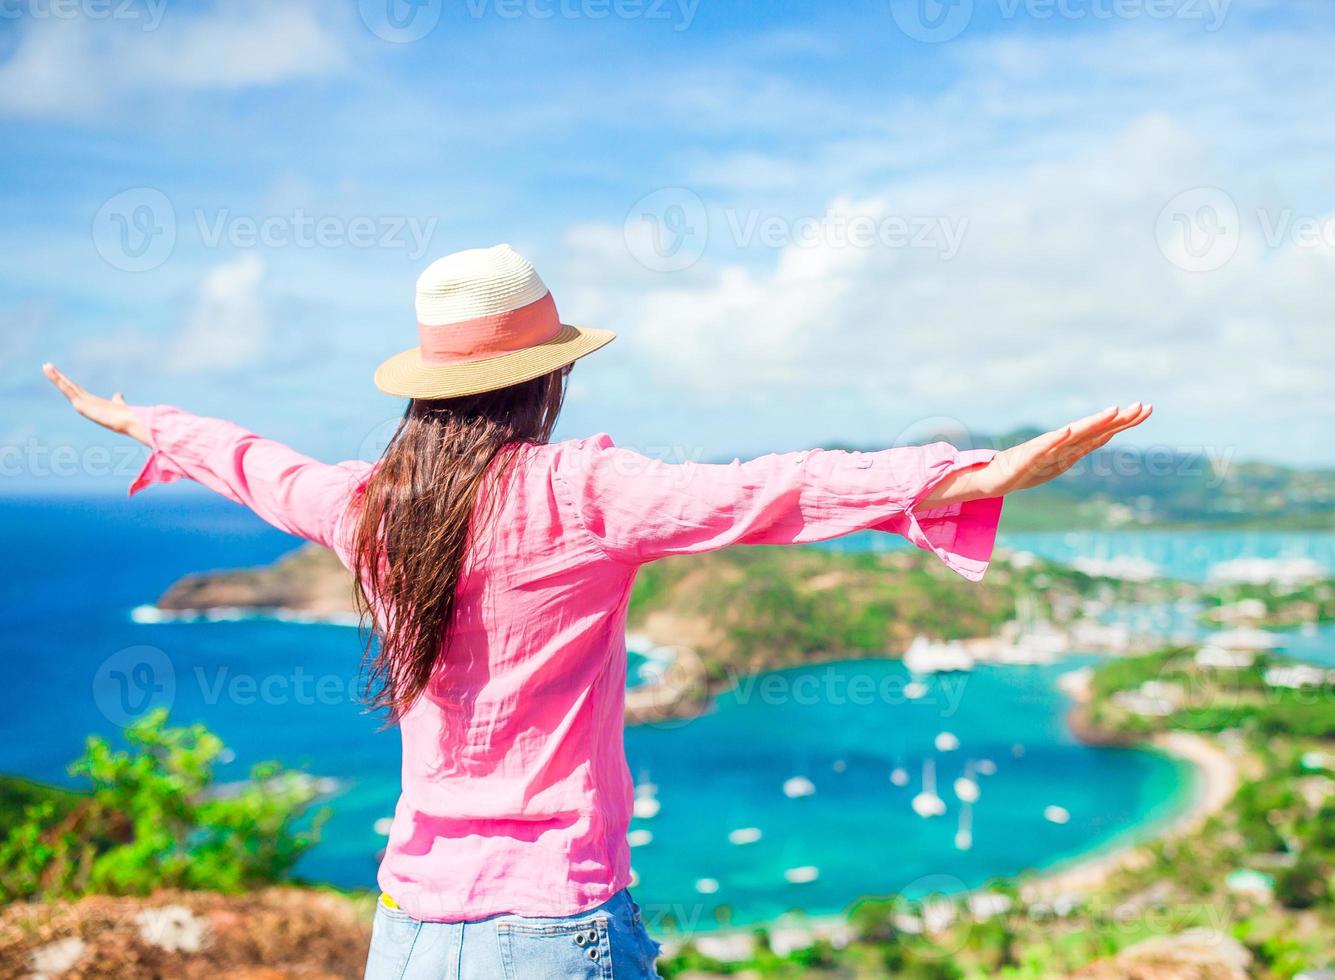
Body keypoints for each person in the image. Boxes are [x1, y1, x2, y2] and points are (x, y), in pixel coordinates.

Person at [44, 244, 1150, 978]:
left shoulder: (371, 509)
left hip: (409, 927)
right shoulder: (582, 490)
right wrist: (969, 473)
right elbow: (776, 487)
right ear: (546, 379)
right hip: (553, 921)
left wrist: (149, 423)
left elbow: (254, 463)